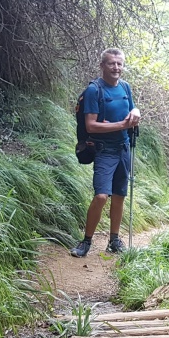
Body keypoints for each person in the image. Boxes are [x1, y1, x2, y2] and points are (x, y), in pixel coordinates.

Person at [70, 49, 141, 258]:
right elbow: (90, 125)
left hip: (123, 148)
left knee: (119, 196)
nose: (116, 67)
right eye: (111, 63)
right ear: (102, 65)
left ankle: (114, 241)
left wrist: (136, 111)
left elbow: (132, 109)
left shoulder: (125, 87)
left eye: (119, 64)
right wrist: (121, 125)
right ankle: (86, 241)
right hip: (104, 150)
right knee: (101, 196)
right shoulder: (94, 90)